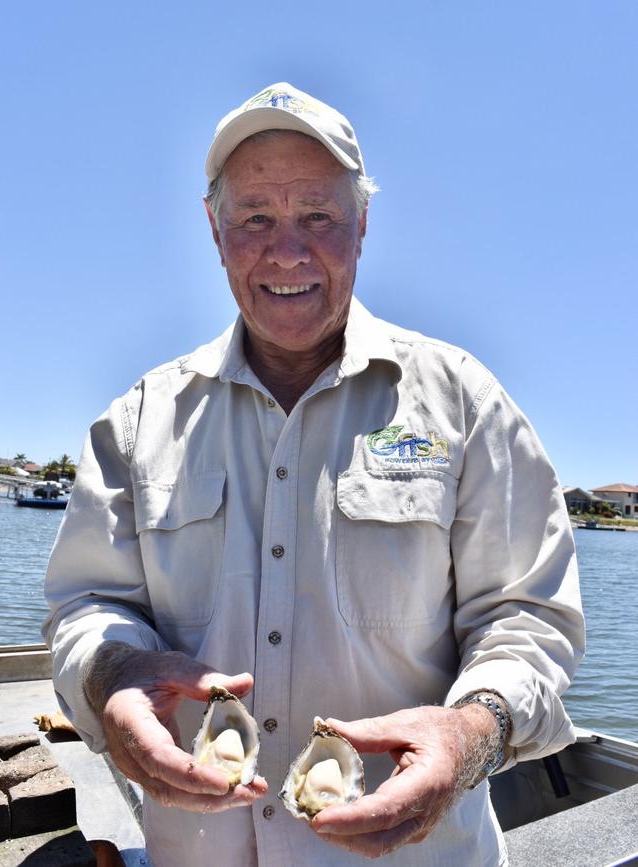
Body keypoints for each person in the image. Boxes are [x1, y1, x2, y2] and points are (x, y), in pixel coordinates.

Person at [43, 82, 585, 867]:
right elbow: (87, 604)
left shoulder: (464, 400)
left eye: (319, 217)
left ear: (363, 223)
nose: (287, 251)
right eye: (256, 217)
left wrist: (473, 730)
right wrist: (115, 672)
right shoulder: (137, 419)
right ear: (214, 229)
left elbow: (528, 614)